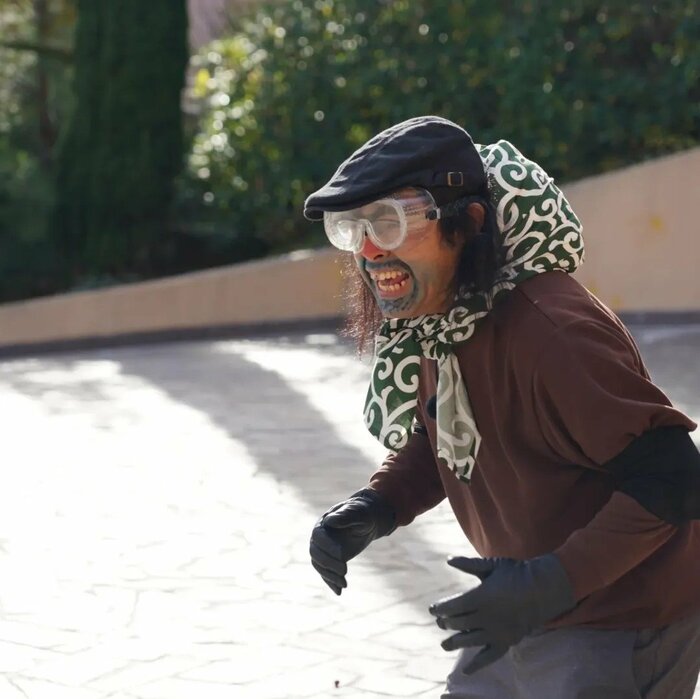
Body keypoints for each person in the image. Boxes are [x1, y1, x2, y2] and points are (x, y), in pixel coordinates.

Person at [304, 115, 700, 698]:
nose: (367, 249)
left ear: (468, 223)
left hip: (616, 619)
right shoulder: (445, 319)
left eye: (389, 222)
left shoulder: (553, 332)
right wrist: (379, 504)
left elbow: (674, 478)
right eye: (352, 228)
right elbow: (452, 430)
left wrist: (550, 583)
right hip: (523, 604)